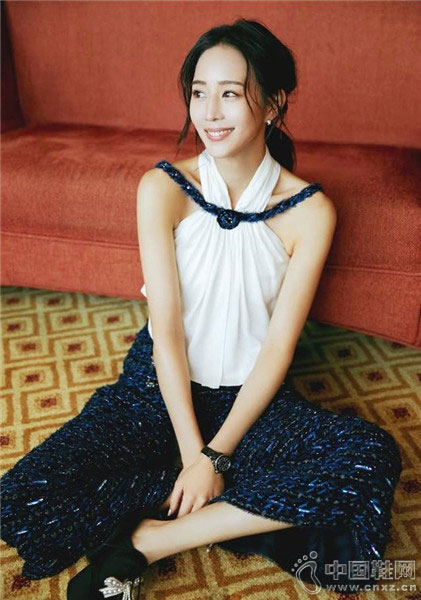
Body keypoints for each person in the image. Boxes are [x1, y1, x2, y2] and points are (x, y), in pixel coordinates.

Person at [0, 18, 402, 600]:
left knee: (369, 458)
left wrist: (217, 455)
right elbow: (165, 331)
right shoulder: (161, 187)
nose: (210, 112)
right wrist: (195, 455)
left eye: (230, 93)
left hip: (252, 403)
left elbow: (278, 348)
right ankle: (224, 499)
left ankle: (149, 540)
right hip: (156, 390)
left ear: (273, 104)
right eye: (198, 92)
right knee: (24, 497)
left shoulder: (310, 211)